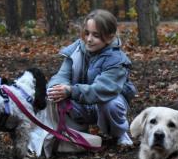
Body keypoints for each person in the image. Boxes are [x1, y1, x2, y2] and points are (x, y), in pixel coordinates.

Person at [46, 9, 137, 146]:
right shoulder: (76, 49)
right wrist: (56, 89)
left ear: (110, 36)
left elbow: (103, 89)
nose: (89, 39)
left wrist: (71, 91)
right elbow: (62, 75)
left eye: (96, 35)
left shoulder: (117, 59)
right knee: (55, 96)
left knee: (111, 104)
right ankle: (77, 135)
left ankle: (118, 133)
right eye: (87, 33)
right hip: (81, 101)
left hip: (103, 102)